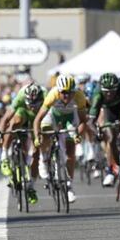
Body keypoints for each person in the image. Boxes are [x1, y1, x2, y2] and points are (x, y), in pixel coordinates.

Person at [33, 75, 87, 203]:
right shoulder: (52, 95)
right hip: (53, 117)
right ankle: (44, 158)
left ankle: (69, 186)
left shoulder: (79, 97)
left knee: (70, 154)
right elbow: (37, 120)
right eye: (63, 93)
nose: (66, 96)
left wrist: (78, 135)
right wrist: (37, 138)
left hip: (70, 119)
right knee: (45, 128)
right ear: (58, 91)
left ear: (74, 91)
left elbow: (83, 121)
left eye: (69, 93)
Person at [0, 82, 47, 204]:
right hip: (23, 113)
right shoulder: (20, 97)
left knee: (36, 152)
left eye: (36, 103)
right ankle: (5, 157)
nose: (33, 106)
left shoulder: (46, 95)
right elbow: (4, 119)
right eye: (30, 103)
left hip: (38, 118)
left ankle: (31, 186)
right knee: (13, 124)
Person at [88, 73, 120, 191]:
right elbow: (91, 121)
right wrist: (97, 132)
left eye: (112, 91)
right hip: (109, 111)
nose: (109, 94)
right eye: (106, 91)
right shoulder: (97, 95)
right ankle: (112, 169)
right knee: (111, 137)